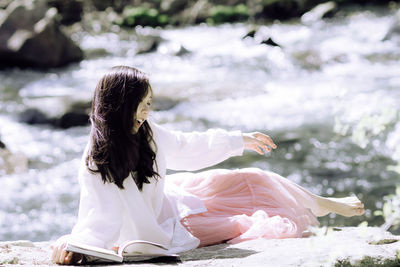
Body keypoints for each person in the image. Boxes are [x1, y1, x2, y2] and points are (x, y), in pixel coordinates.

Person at [51, 66, 364, 264]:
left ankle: (323, 203)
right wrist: (78, 244)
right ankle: (316, 204)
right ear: (120, 105)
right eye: (142, 104)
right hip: (161, 229)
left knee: (252, 177)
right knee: (246, 218)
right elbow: (99, 216)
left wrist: (238, 139)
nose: (147, 112)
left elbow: (187, 146)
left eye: (150, 104)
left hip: (174, 199)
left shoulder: (149, 132)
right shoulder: (97, 160)